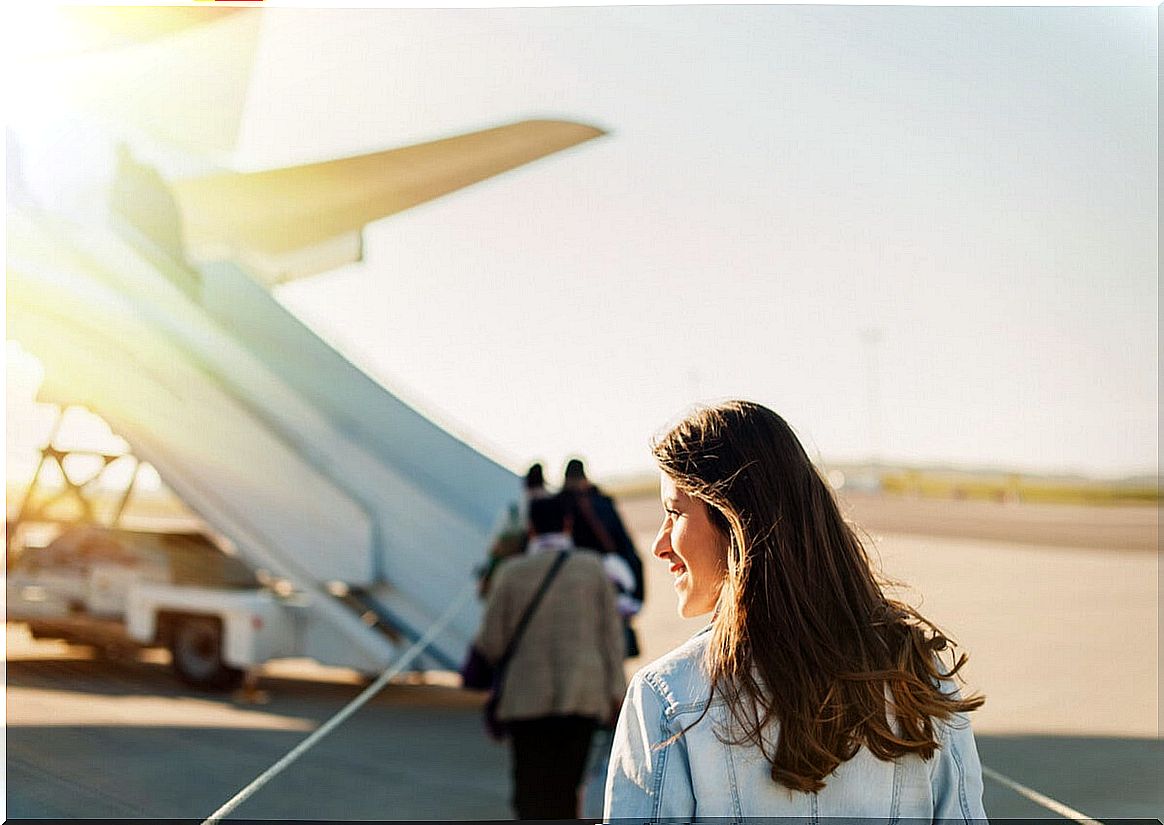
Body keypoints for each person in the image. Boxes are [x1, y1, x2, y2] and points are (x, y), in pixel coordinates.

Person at [604, 401, 987, 821]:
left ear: (736, 521)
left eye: (674, 513)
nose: (660, 544)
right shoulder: (920, 678)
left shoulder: (669, 699)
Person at [474, 494, 626, 819]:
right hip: (583, 695)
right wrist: (617, 692)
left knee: (530, 789)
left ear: (530, 529)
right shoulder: (593, 568)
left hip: (526, 699)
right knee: (568, 788)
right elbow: (612, 638)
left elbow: (492, 642)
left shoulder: (512, 573)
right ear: (568, 525)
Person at [561, 458, 645, 650]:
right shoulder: (602, 504)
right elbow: (627, 548)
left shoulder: (559, 507)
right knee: (613, 654)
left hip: (573, 592)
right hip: (610, 587)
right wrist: (636, 596)